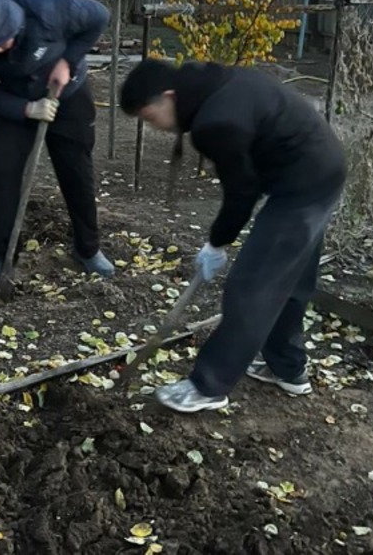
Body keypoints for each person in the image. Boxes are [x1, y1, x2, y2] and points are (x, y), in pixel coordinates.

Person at [120, 58, 346, 413]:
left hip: (303, 183)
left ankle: (208, 386)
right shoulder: (214, 85)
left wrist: (217, 242)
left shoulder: (215, 122)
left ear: (169, 96)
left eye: (150, 117)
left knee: (252, 285)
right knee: (290, 279)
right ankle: (287, 368)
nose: (155, 128)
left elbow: (242, 191)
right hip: (321, 167)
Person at [0, 0, 114, 286]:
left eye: (1, 41)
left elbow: (100, 16)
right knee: (2, 173)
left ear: (15, 25)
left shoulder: (50, 11)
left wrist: (68, 61)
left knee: (76, 172)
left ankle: (88, 249)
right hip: (15, 101)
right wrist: (25, 109)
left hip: (68, 94)